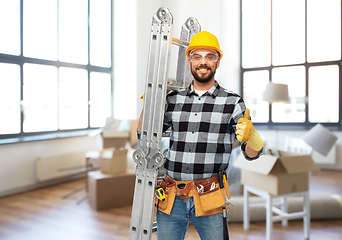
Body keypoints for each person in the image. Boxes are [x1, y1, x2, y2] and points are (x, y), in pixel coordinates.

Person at [137, 31, 264, 240]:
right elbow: (145, 136)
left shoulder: (232, 102)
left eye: (209, 56)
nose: (203, 62)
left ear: (217, 61)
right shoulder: (172, 99)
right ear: (189, 61)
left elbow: (252, 154)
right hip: (171, 197)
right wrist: (150, 104)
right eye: (197, 56)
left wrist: (253, 139)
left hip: (210, 198)